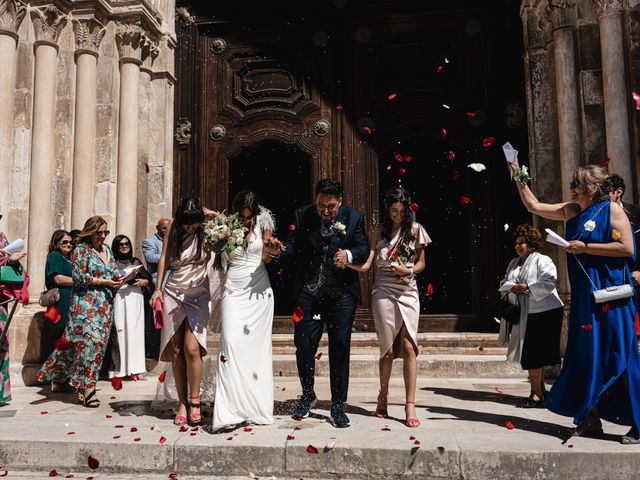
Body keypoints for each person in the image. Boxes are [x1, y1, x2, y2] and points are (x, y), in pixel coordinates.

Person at [511, 160, 640, 443]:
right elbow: (534, 206)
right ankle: (590, 419)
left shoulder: (612, 210)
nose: (570, 187)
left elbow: (627, 247)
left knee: (620, 355)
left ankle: (637, 423)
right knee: (586, 356)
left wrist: (586, 247)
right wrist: (518, 175)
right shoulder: (572, 211)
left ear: (592, 188)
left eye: (575, 183)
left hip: (611, 296)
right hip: (585, 298)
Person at [268, 179, 369, 428]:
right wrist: (278, 250)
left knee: (340, 347)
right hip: (309, 293)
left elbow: (363, 248)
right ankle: (307, 395)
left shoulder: (354, 217)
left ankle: (338, 405)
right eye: (321, 205)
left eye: (331, 207)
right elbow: (293, 247)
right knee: (303, 345)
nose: (325, 211)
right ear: (316, 200)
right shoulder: (302, 215)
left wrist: (349, 255)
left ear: (340, 203)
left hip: (342, 294)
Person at [351, 187, 430, 427]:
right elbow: (366, 266)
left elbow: (421, 264)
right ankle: (383, 395)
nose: (397, 214)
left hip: (408, 289)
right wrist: (347, 262)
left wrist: (408, 270)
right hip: (384, 289)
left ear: (407, 210)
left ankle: (410, 404)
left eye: (401, 210)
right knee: (386, 350)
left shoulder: (416, 230)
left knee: (409, 347)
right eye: (393, 210)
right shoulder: (379, 233)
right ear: (387, 210)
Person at [36, 216, 122, 408]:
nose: (102, 236)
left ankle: (73, 381)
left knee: (98, 348)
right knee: (88, 347)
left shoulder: (107, 250)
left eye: (105, 232)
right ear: (90, 232)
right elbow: (80, 277)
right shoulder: (81, 250)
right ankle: (89, 387)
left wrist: (124, 277)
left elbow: (114, 272)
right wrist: (104, 282)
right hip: (85, 306)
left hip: (105, 306)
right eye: (98, 233)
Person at [213, 190, 280, 429]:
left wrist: (272, 250)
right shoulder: (225, 226)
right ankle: (229, 411)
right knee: (230, 343)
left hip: (259, 290)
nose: (246, 221)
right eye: (242, 217)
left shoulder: (264, 224)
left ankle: (253, 407)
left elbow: (266, 257)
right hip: (233, 289)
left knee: (256, 350)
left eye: (249, 217)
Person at [151, 198, 215, 426]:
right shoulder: (175, 229)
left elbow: (232, 229)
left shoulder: (208, 230)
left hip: (198, 292)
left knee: (192, 347)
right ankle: (182, 402)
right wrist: (158, 288)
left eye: (194, 223)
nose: (190, 227)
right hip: (173, 291)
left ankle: (195, 400)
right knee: (176, 350)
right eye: (186, 223)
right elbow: (164, 258)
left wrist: (213, 213)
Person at [498, 224, 564, 407]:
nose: (519, 246)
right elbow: (505, 280)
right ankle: (540, 390)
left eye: (523, 243)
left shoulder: (542, 260)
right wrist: (509, 286)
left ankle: (535, 394)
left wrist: (526, 287)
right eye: (517, 243)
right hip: (524, 313)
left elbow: (549, 281)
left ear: (533, 244)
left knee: (533, 354)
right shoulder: (513, 262)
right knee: (531, 354)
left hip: (543, 312)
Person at [109, 235, 152, 381]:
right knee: (120, 331)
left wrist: (142, 281)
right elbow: (112, 284)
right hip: (120, 297)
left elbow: (149, 279)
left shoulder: (135, 261)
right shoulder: (111, 263)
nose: (124, 246)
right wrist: (127, 278)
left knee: (136, 332)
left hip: (135, 298)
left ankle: (137, 368)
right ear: (115, 247)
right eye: (120, 244)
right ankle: (119, 370)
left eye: (127, 244)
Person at [608, 174, 640, 336]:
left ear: (618, 192)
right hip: (612, 272)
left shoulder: (634, 212)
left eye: (607, 190)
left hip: (634, 271)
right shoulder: (600, 214)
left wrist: (638, 269)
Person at [0, 222, 28, 406]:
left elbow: (8, 269)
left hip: (0, 303)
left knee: (0, 346)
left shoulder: (1, 238)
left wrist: (11, 260)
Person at [45, 230, 74, 338]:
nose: (69, 244)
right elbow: (58, 279)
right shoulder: (54, 255)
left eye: (71, 242)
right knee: (62, 334)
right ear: (56, 242)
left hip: (70, 301)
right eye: (65, 242)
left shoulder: (68, 258)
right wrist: (82, 281)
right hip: (61, 302)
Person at [142, 218, 171, 287]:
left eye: (169, 228)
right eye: (164, 228)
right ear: (157, 228)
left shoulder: (174, 241)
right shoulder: (149, 242)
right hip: (158, 280)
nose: (167, 230)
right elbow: (150, 258)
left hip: (172, 279)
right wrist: (169, 256)